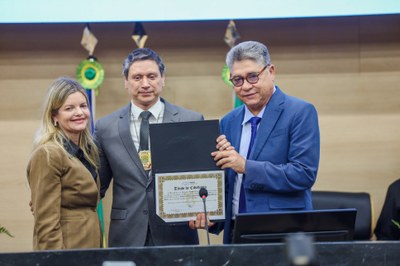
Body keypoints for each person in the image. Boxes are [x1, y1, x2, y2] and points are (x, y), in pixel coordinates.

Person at [190, 40, 320, 244]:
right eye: (237, 80)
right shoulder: (228, 121)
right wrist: (213, 217)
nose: (246, 86)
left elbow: (303, 174)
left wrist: (246, 167)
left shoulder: (300, 112)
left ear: (271, 71)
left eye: (252, 76)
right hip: (236, 235)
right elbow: (227, 183)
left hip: (283, 233)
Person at [94, 48, 203, 247]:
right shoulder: (105, 128)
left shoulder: (190, 120)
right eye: (137, 77)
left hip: (177, 234)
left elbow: (201, 177)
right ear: (125, 82)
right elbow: (96, 186)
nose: (145, 84)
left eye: (152, 76)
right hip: (127, 234)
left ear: (163, 79)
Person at [26, 77, 102, 250]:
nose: (79, 113)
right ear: (54, 116)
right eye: (69, 108)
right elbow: (46, 222)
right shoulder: (48, 154)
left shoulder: (86, 152)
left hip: (88, 250)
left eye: (83, 106)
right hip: (66, 254)